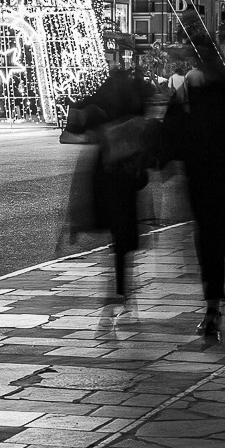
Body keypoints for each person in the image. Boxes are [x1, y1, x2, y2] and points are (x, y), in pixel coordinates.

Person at [161, 44, 225, 343]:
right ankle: (214, 305)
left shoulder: (221, 92)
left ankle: (214, 306)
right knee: (214, 240)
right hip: (207, 178)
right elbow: (171, 130)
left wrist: (170, 159)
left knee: (215, 240)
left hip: (212, 177)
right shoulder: (210, 92)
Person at [66, 66, 153, 308]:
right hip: (127, 169)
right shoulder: (132, 100)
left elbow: (76, 125)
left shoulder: (105, 99)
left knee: (116, 224)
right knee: (123, 227)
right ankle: (121, 284)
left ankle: (119, 284)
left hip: (108, 169)